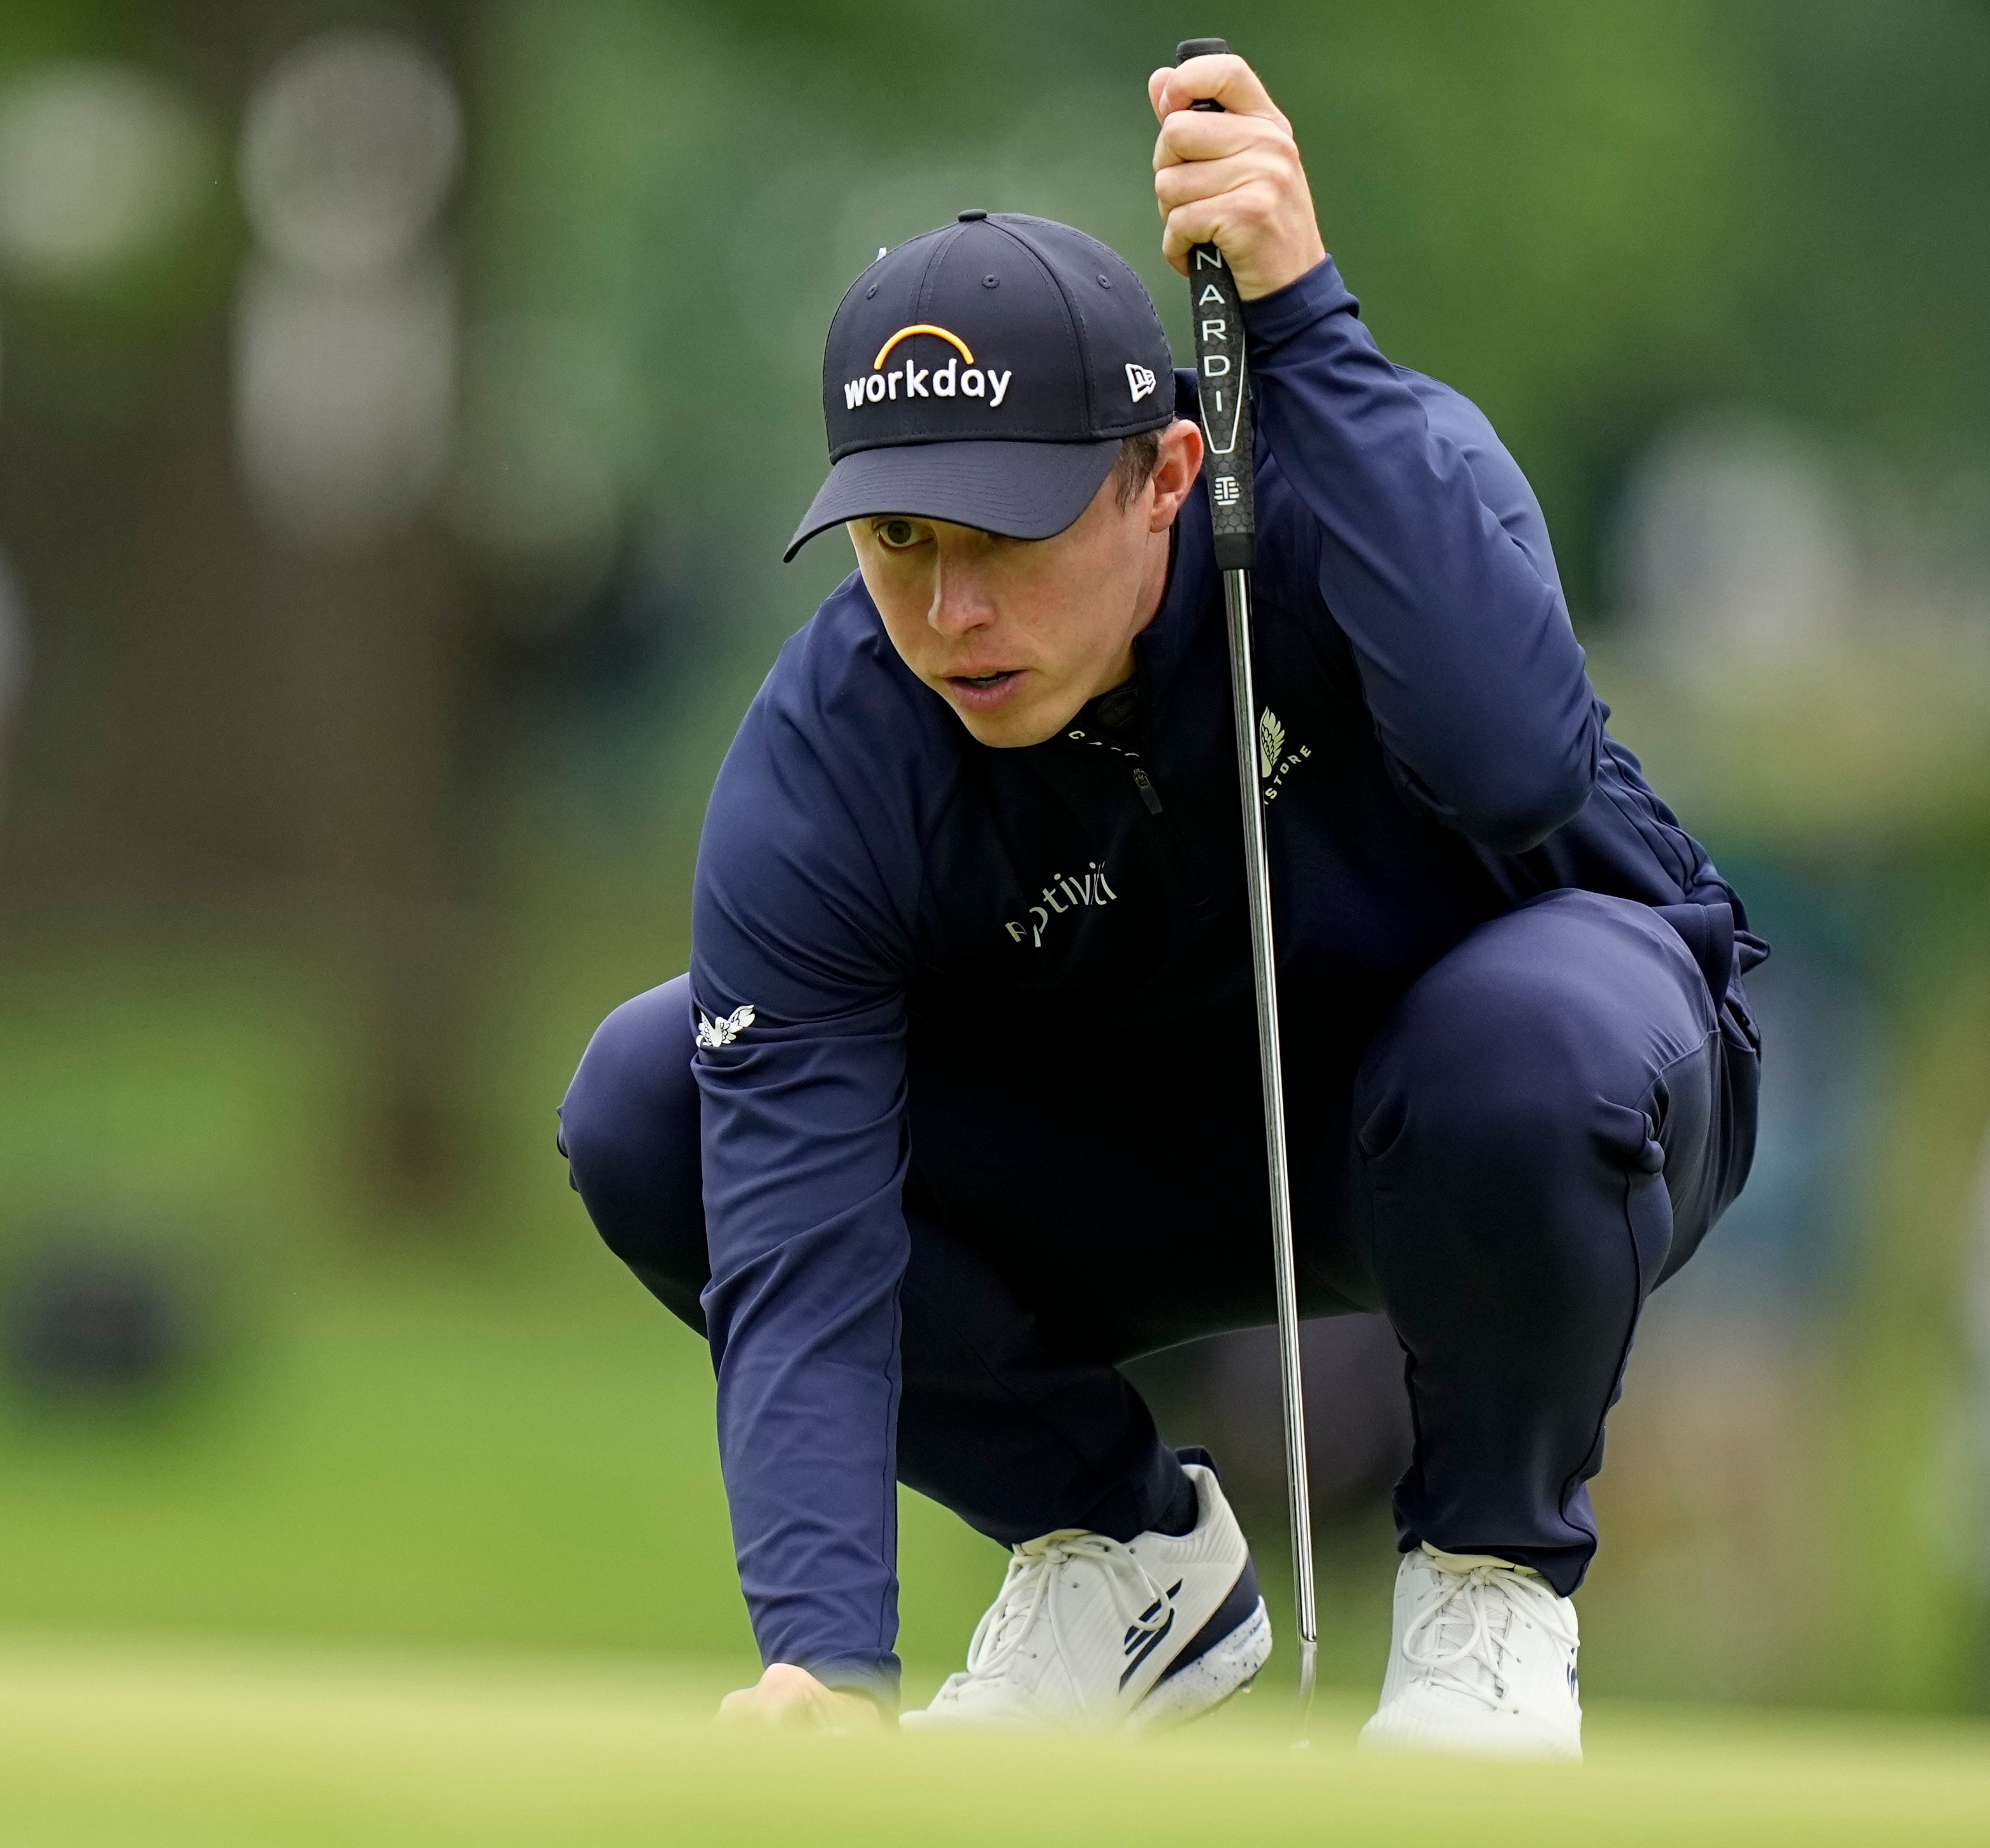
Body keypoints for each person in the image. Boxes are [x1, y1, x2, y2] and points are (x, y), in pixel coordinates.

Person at [558, 49, 1761, 1756]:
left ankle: (1487, 1593)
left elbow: (1517, 770)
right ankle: (1127, 1555)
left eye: (1010, 529)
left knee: (1522, 1036)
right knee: (647, 1096)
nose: (952, 606)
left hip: (1552, 1112)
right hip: (1153, 1157)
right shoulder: (833, 754)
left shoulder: (1367, 479)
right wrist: (825, 1653)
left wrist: (1311, 321)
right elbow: (798, 1226)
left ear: (1167, 474)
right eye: (898, 538)